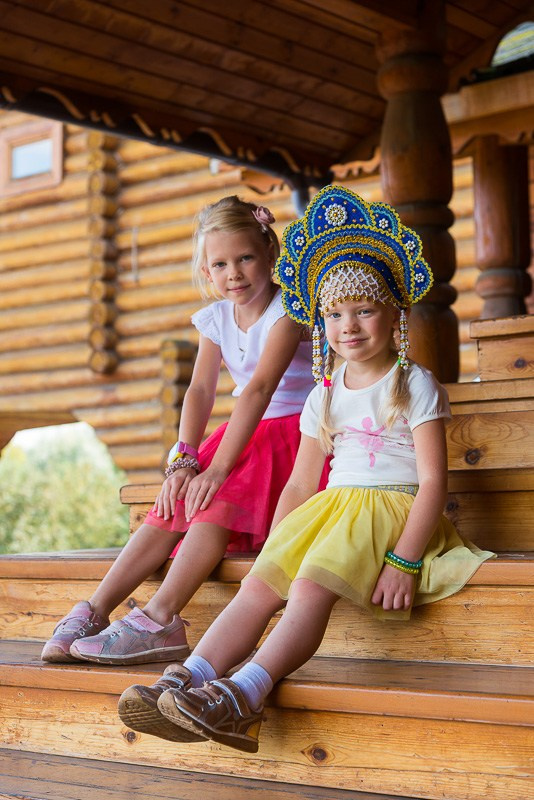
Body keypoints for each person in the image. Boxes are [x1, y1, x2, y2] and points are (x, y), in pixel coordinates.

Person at [117, 185, 494, 752]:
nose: (349, 326)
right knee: (263, 584)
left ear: (395, 312)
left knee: (313, 584)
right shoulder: (323, 395)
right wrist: (279, 540)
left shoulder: (412, 384)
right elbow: (299, 482)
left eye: (364, 310)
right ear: (320, 321)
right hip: (329, 508)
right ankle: (187, 681)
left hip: (389, 510)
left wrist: (403, 559)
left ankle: (244, 694)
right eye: (335, 314)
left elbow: (434, 481)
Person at [41, 195, 325, 669]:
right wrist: (186, 458)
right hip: (241, 432)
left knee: (212, 501)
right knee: (170, 502)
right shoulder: (215, 319)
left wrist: (216, 469)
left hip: (292, 434)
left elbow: (257, 390)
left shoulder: (287, 310)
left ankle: (161, 617)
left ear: (269, 251)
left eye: (245, 258)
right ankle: (95, 609)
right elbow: (199, 390)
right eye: (220, 263)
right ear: (206, 271)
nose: (234, 272)